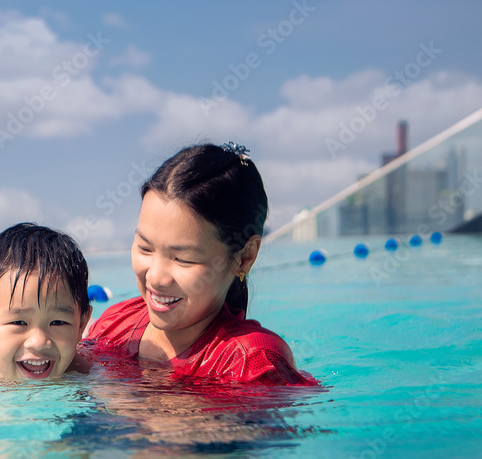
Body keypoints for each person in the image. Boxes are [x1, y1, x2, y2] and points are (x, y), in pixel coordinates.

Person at [85, 142, 318, 386]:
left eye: (183, 259)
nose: (155, 277)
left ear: (245, 257)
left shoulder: (250, 362)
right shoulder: (114, 325)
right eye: (145, 248)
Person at [0, 223, 92, 380]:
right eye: (19, 322)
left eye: (57, 322)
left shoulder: (82, 371)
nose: (39, 342)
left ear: (80, 326)